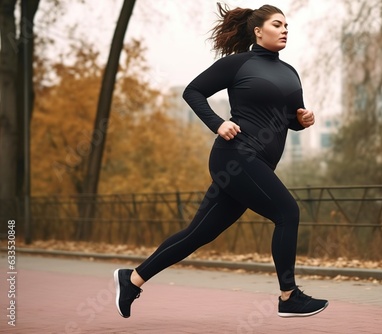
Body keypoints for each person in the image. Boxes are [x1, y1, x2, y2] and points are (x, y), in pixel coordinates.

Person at [114, 3, 328, 319]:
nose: (285, 30)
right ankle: (288, 296)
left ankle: (132, 280)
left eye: (287, 26)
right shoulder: (238, 64)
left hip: (258, 164)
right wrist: (217, 123)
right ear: (258, 31)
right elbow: (193, 91)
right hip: (236, 156)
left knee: (199, 233)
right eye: (277, 25)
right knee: (287, 212)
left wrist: (302, 118)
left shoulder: (289, 72)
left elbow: (289, 118)